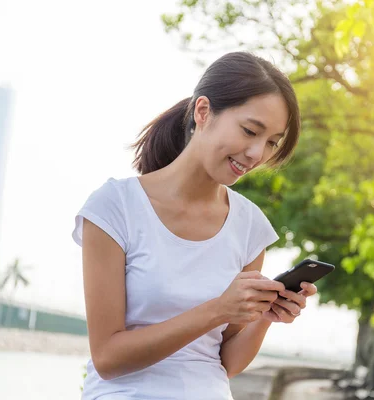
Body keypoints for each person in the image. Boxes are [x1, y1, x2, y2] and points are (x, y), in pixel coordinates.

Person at [72, 51, 318, 399]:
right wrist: (217, 309)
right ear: (203, 112)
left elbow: (225, 362)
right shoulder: (115, 207)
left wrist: (265, 316)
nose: (256, 154)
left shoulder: (250, 227)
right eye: (250, 131)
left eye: (271, 143)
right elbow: (108, 358)